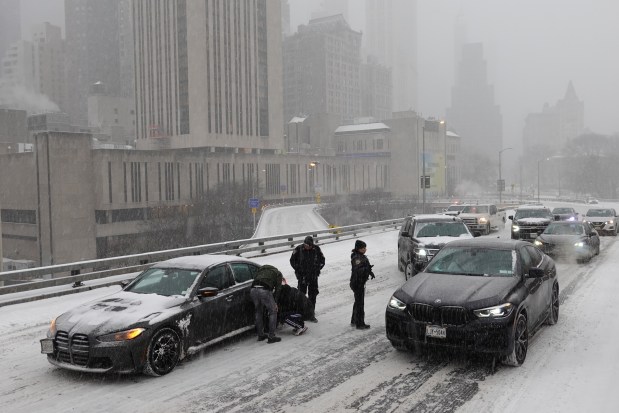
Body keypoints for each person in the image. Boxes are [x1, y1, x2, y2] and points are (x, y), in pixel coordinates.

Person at [289, 235, 325, 321]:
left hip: (313, 277)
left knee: (313, 295)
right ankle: (301, 314)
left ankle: (311, 314)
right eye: (306, 245)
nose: (307, 247)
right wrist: (298, 269)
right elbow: (292, 260)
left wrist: (317, 269)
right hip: (302, 277)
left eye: (309, 246)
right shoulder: (298, 249)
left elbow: (322, 260)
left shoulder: (316, 249)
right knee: (301, 295)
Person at [250, 264, 283, 343]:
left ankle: (260, 335)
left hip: (253, 290)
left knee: (258, 311)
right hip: (264, 290)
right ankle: (271, 337)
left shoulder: (261, 270)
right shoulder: (278, 273)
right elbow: (278, 289)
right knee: (273, 312)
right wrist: (275, 302)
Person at [350, 240, 374, 330]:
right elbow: (358, 270)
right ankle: (360, 324)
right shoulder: (357, 258)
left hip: (359, 282)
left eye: (365, 248)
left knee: (358, 302)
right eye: (363, 248)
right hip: (357, 283)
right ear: (358, 248)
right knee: (360, 303)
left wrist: (370, 272)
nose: (365, 249)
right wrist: (366, 269)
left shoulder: (360, 256)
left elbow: (364, 267)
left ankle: (354, 320)